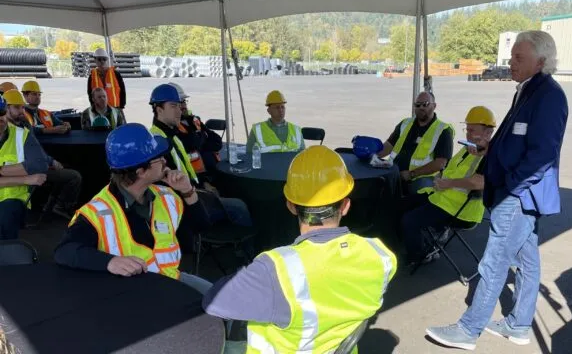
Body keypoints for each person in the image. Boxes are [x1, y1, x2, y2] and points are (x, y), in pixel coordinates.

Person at [426, 31, 569, 350]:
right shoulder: (529, 91)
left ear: (541, 62)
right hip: (517, 192)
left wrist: (509, 186)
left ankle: (469, 329)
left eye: (519, 58)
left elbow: (542, 155)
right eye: (512, 56)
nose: (510, 62)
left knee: (494, 260)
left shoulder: (549, 96)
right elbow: (520, 140)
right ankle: (518, 324)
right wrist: (490, 149)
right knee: (527, 261)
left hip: (517, 195)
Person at [203, 146, 397, 353]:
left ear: (291, 206)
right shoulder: (381, 255)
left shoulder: (275, 269)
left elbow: (213, 302)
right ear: (346, 206)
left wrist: (250, 272)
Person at [54, 123, 213, 293]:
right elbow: (64, 251)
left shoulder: (167, 196)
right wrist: (110, 262)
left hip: (171, 280)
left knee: (220, 298)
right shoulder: (98, 212)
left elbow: (201, 227)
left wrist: (187, 191)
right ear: (140, 172)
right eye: (159, 159)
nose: (165, 162)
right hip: (130, 293)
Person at [148, 84, 252, 250]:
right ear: (158, 109)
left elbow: (207, 148)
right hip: (188, 206)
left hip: (195, 194)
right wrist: (200, 193)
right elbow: (169, 186)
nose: (179, 110)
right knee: (240, 207)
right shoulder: (158, 141)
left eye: (180, 105)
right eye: (173, 106)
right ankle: (247, 256)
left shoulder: (170, 134)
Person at [400, 106, 496, 265]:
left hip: (460, 210)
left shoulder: (491, 155)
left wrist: (448, 183)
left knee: (409, 220)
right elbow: (449, 169)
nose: (468, 134)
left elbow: (480, 182)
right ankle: (417, 242)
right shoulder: (469, 148)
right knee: (400, 205)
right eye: (467, 129)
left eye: (473, 130)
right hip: (442, 197)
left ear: (488, 133)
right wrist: (440, 176)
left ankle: (420, 255)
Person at [4, 89, 82, 219]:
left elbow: (37, 153)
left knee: (66, 168)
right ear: (6, 109)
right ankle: (59, 206)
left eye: (22, 107)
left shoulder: (25, 126)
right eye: (16, 107)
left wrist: (50, 161)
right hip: (20, 176)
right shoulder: (9, 130)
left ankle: (51, 206)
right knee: (74, 176)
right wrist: (48, 162)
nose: (21, 111)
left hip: (32, 169)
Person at [378, 91, 454, 195]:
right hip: (395, 172)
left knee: (419, 190)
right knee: (377, 185)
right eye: (417, 105)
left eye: (425, 104)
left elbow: (440, 164)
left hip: (423, 177)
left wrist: (411, 174)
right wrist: (372, 156)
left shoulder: (443, 130)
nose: (421, 107)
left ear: (434, 106)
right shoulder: (405, 123)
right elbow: (388, 146)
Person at [0, 94, 48, 239]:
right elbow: (33, 173)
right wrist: (27, 179)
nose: (0, 119)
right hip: (19, 186)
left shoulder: (22, 135)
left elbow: (39, 165)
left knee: (5, 216)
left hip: (14, 198)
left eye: (1, 113)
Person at [170, 83, 222, 181]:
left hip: (214, 171)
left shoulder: (193, 119)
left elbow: (217, 142)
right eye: (179, 102)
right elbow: (193, 144)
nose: (184, 105)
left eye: (184, 101)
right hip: (198, 178)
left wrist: (201, 140)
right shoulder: (171, 126)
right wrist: (203, 136)